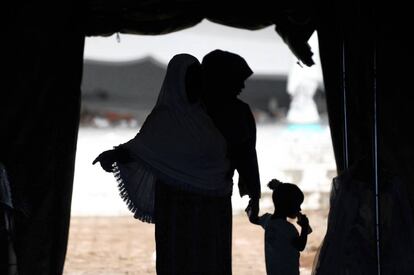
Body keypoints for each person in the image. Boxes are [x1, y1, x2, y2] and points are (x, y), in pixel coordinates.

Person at [93, 53, 233, 274]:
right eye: (191, 78)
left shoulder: (208, 116)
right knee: (180, 258)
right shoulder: (163, 120)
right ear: (178, 80)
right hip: (177, 207)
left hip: (211, 207)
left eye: (198, 78)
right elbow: (143, 149)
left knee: (208, 258)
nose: (196, 84)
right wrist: (114, 155)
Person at [201, 49, 261, 224]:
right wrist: (254, 195)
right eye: (238, 80)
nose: (242, 86)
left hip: (188, 194)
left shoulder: (191, 110)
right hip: (219, 192)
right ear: (223, 79)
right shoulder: (239, 112)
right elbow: (247, 156)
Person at [247, 179, 311, 275]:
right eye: (297, 205)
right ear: (288, 205)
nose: (299, 209)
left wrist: (253, 203)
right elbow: (300, 246)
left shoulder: (268, 221)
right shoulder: (289, 229)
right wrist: (305, 227)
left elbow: (254, 219)